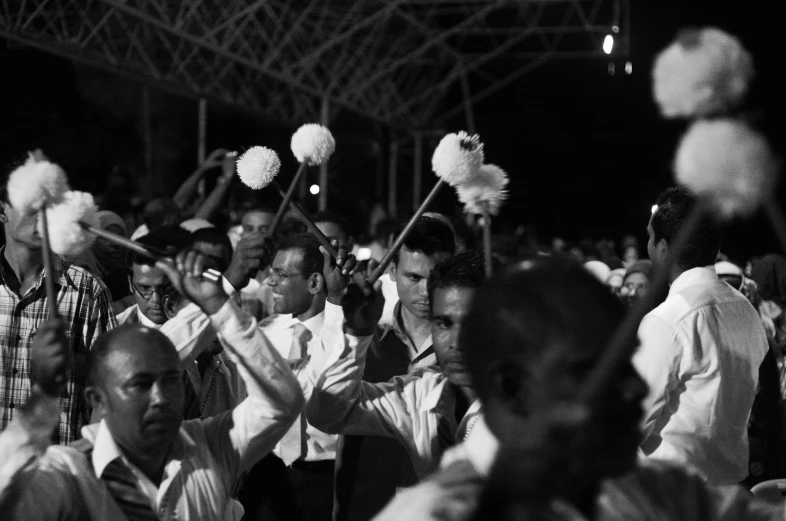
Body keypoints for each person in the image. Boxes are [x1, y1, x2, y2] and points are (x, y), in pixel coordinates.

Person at [372, 260, 786, 521]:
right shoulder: (437, 512)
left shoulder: (649, 487)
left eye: (623, 362)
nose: (633, 389)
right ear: (512, 387)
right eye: (589, 370)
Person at [0, 249, 304, 520]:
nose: (161, 398)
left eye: (171, 380)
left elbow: (282, 402)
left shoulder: (210, 446)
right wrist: (41, 402)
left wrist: (219, 306)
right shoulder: (71, 474)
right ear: (97, 400)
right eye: (140, 385)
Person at [308, 250, 485, 478]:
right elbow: (328, 414)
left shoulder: (534, 405)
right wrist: (357, 334)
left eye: (473, 323)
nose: (456, 342)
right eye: (444, 323)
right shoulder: (422, 394)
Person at [635, 187, 768, 485]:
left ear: (664, 248)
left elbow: (630, 425)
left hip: (673, 494)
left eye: (649, 236)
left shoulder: (667, 320)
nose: (648, 245)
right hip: (728, 490)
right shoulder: (745, 308)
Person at [334, 216, 455, 521]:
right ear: (391, 270)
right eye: (414, 277)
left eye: (437, 276)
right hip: (370, 505)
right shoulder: (365, 340)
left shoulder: (465, 350)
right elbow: (338, 424)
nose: (426, 291)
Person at [242, 233, 356, 521]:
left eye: (281, 274)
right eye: (271, 273)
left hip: (327, 479)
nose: (270, 282)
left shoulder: (348, 338)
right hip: (269, 473)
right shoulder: (266, 332)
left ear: (315, 283)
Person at [1, 164, 117, 444]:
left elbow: (109, 389)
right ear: (2, 209)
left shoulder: (87, 291)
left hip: (55, 474)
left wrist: (84, 454)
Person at [116, 226, 192, 327]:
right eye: (144, 288)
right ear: (130, 283)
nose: (156, 299)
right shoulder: (112, 332)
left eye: (164, 288)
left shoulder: (212, 325)